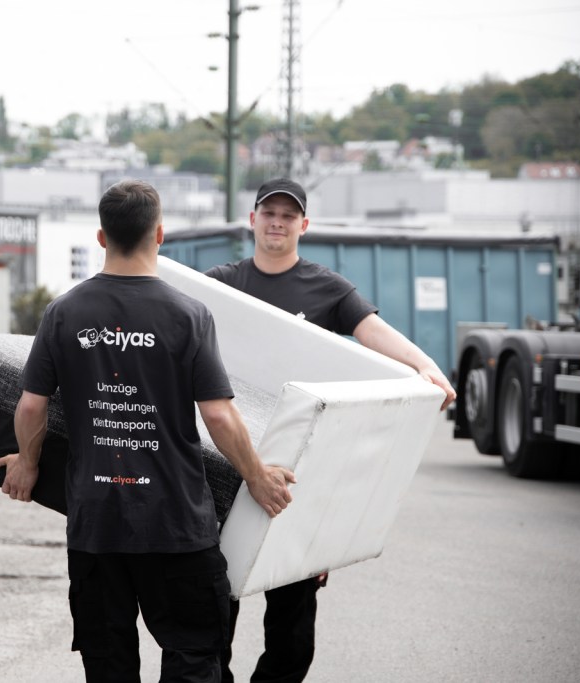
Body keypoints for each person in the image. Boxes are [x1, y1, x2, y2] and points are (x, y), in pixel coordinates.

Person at [0, 179, 296, 682]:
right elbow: (219, 416)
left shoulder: (64, 312)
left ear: (100, 237)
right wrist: (257, 475)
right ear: (159, 235)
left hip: (96, 526)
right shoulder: (188, 315)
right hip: (175, 525)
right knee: (193, 657)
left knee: (108, 665)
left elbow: (31, 406)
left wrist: (27, 462)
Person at [205, 178, 456, 683]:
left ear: (304, 225)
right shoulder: (221, 284)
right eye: (269, 213)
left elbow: (373, 332)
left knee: (293, 631)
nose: (277, 222)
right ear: (252, 220)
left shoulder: (327, 288)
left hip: (300, 469)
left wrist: (426, 367)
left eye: (288, 215)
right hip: (226, 456)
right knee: (212, 616)